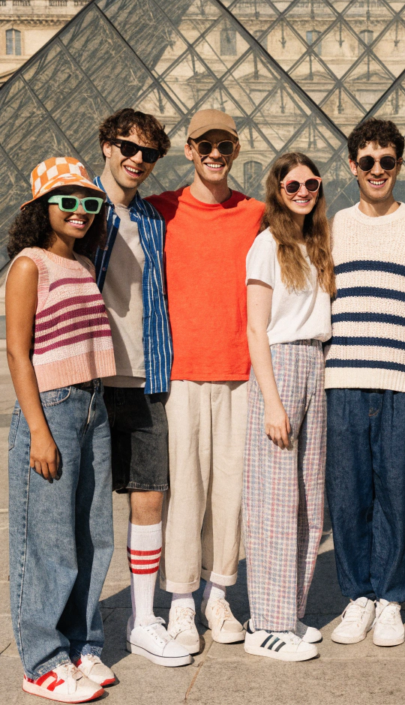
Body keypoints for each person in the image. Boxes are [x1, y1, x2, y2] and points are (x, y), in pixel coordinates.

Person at [146, 109, 265, 653]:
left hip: (240, 373)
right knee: (185, 494)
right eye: (206, 145)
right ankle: (180, 601)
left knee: (231, 494)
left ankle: (218, 593)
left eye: (226, 145)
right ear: (189, 150)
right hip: (183, 373)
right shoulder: (158, 211)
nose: (216, 153)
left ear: (235, 151)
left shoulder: (256, 213)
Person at [324, 118, 405, 647]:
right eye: (367, 161)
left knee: (398, 492)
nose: (377, 170)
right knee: (348, 495)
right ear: (352, 166)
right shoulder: (330, 228)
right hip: (344, 378)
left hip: (403, 382)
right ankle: (357, 595)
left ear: (399, 164)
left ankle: (391, 597)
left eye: (387, 161)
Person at [6, 158, 116, 702]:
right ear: (41, 208)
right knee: (47, 540)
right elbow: (17, 352)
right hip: (54, 409)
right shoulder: (30, 264)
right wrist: (38, 429)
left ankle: (80, 644)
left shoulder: (84, 263)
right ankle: (41, 661)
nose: (79, 211)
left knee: (93, 534)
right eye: (66, 200)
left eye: (88, 202)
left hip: (93, 405)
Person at [91, 109, 191, 668]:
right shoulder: (79, 206)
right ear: (106, 145)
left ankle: (144, 618)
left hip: (148, 373)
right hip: (91, 377)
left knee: (149, 496)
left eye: (149, 154)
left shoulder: (154, 219)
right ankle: (79, 626)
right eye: (127, 147)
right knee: (86, 505)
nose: (136, 159)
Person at [242, 153, 334, 661]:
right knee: (274, 501)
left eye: (311, 182)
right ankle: (266, 625)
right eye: (292, 183)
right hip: (278, 365)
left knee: (307, 499)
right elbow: (256, 328)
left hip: (314, 364)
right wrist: (273, 402)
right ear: (276, 188)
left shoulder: (315, 243)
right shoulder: (266, 244)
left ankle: (288, 610)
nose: (302, 190)